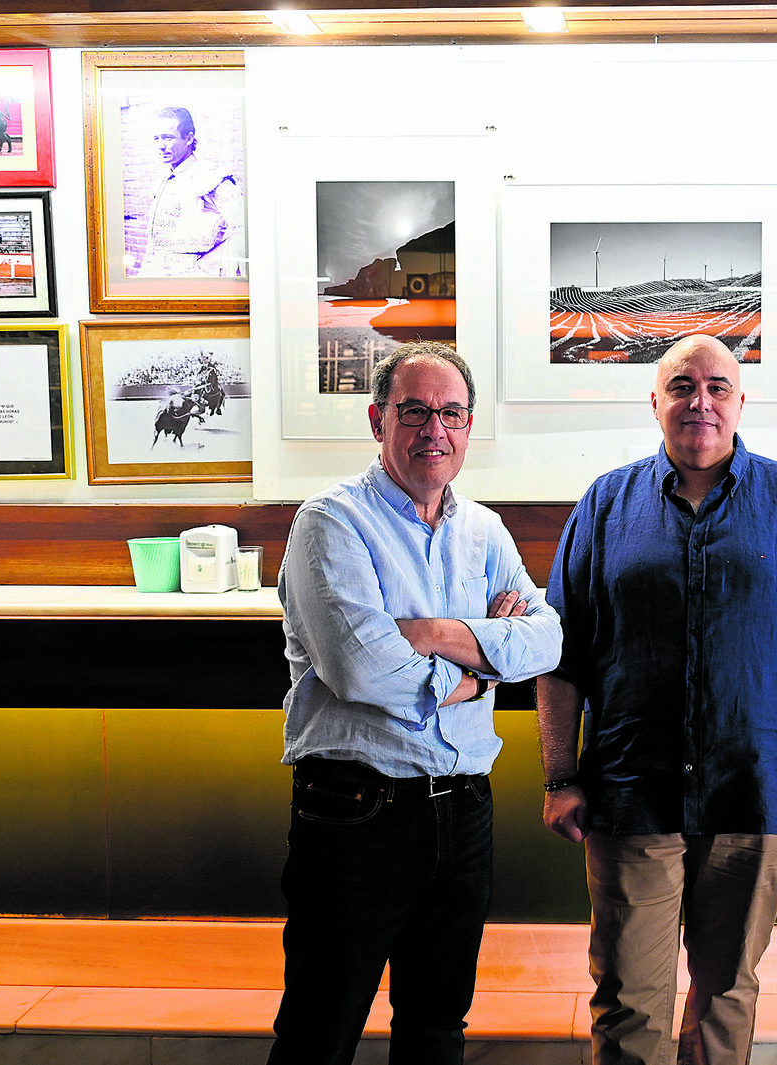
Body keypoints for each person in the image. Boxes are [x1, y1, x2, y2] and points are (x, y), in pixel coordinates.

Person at [538, 333, 777, 1065]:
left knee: (726, 996)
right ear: (654, 401)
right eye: (683, 385)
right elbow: (560, 655)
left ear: (741, 402)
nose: (701, 401)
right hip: (632, 795)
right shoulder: (604, 504)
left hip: (759, 794)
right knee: (629, 1003)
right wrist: (561, 776)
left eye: (718, 386)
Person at [266, 340, 563, 1065]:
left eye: (452, 412)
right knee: (318, 1031)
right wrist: (482, 669)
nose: (436, 429)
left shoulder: (482, 530)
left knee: (436, 1028)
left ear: (468, 425)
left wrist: (433, 635)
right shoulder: (330, 523)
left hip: (462, 810)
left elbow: (548, 638)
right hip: (357, 813)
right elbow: (366, 672)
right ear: (378, 420)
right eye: (415, 411)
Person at [136, 106, 245, 278]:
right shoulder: (163, 181)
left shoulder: (212, 177)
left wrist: (203, 270)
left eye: (168, 138)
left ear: (189, 138)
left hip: (193, 281)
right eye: (156, 138)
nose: (161, 146)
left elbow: (242, 231)